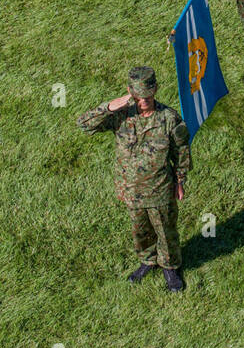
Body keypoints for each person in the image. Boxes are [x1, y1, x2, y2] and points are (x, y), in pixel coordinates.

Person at [77, 66, 190, 291]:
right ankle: (148, 260)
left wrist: (180, 180)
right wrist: (109, 107)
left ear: (156, 90)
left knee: (166, 231)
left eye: (148, 96)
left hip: (160, 189)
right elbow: (84, 125)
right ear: (130, 92)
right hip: (131, 190)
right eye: (139, 97)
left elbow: (181, 150)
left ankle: (170, 267)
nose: (144, 101)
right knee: (140, 231)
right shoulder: (120, 115)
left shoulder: (168, 117)